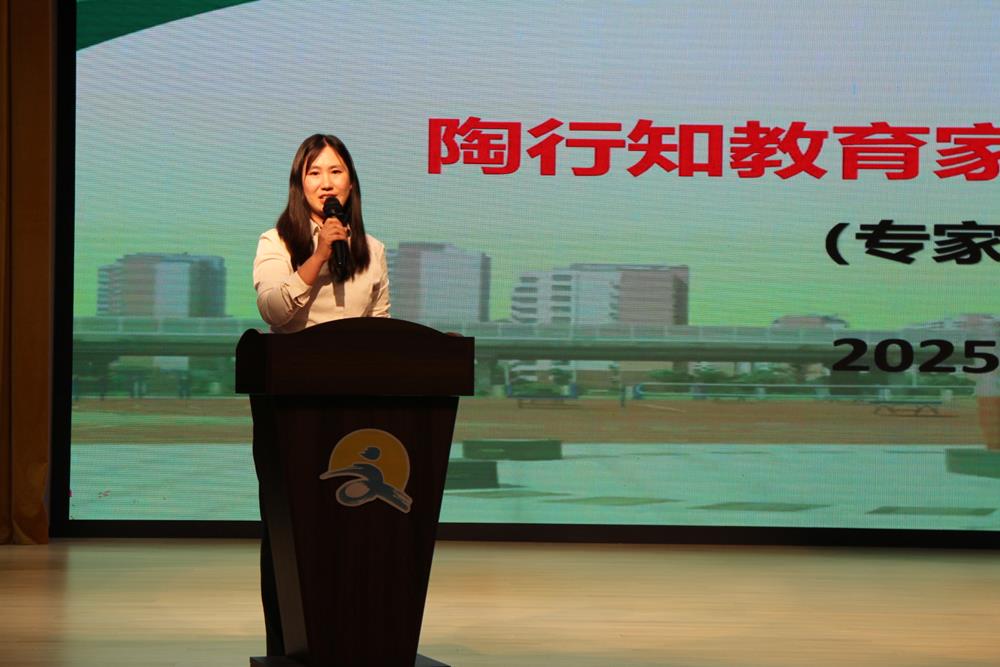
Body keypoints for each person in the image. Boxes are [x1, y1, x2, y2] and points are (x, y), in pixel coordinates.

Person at [251, 134, 390, 655]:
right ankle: (290, 645)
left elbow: (381, 328)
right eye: (314, 173)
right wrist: (317, 255)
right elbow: (275, 311)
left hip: (357, 411)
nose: (326, 183)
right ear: (300, 183)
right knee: (292, 529)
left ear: (350, 182)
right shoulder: (276, 242)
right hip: (290, 407)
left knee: (354, 529)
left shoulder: (373, 251)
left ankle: (354, 639)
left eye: (335, 171)